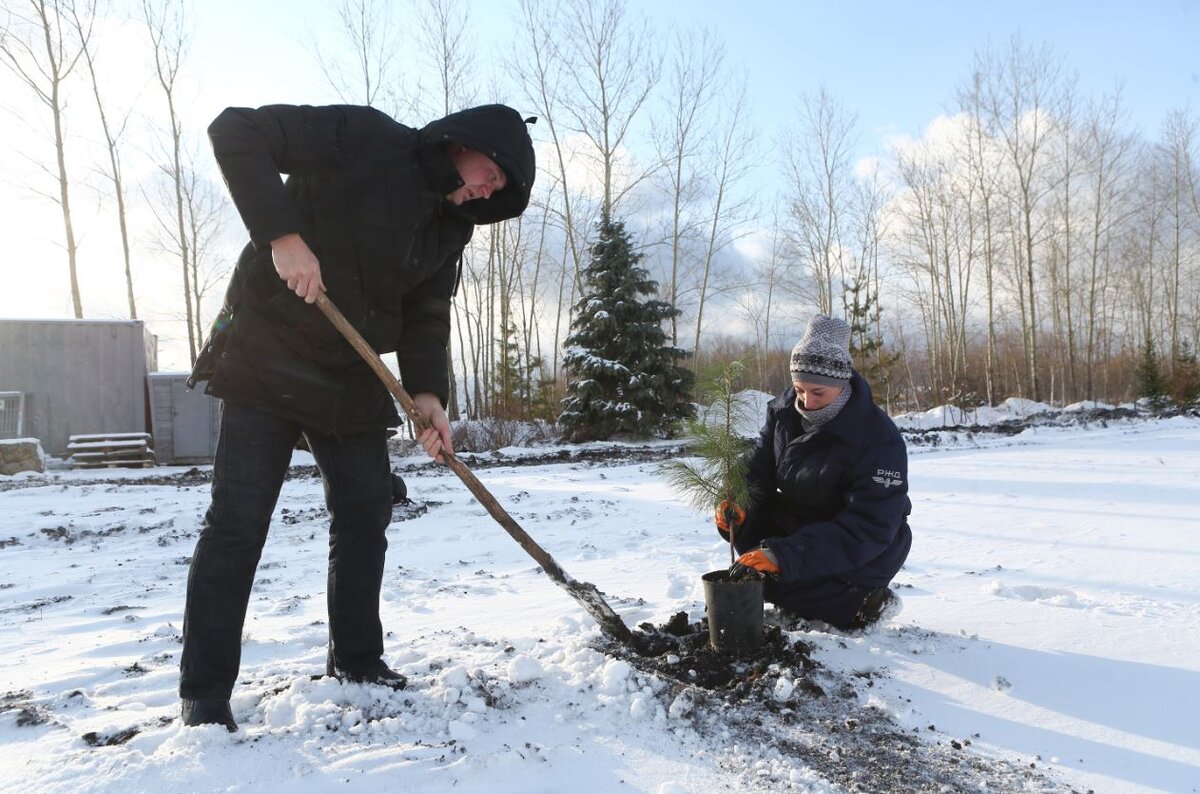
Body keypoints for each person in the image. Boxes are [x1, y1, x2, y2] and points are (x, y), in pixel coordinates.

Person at [179, 103, 536, 731]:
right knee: (237, 523)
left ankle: (356, 658)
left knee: (366, 512)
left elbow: (427, 313)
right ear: (468, 142)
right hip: (271, 359)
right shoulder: (364, 138)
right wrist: (281, 236)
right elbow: (237, 131)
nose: (487, 189)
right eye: (493, 173)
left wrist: (429, 395)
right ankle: (204, 694)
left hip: (352, 376)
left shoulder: (451, 225)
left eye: (499, 191)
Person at [716, 315, 911, 630]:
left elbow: (869, 527)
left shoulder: (879, 439)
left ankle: (866, 601)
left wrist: (785, 556)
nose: (806, 401)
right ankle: (802, 585)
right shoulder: (783, 413)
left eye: (817, 392)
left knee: (772, 583)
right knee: (746, 534)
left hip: (864, 546)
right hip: (804, 526)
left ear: (841, 383)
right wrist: (735, 498)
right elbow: (757, 464)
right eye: (798, 389)